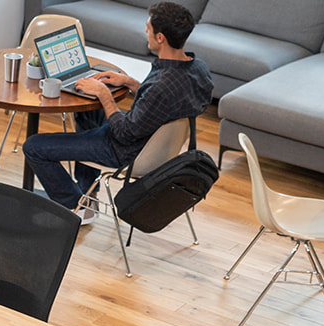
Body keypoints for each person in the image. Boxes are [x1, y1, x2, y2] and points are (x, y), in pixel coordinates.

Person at [22, 1, 212, 224]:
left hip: (127, 152)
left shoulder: (161, 85)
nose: (145, 31)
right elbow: (167, 103)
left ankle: (75, 206)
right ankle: (87, 191)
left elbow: (123, 133)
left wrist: (104, 94)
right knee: (87, 113)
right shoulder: (197, 69)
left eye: (148, 27)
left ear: (160, 37)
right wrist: (130, 83)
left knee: (34, 147)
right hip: (158, 146)